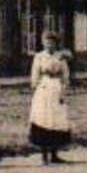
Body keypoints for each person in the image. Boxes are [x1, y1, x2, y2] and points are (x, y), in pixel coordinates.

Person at [28, 31, 72, 164]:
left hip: (56, 87)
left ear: (56, 44)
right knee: (43, 119)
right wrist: (36, 88)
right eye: (47, 42)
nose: (49, 45)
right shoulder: (39, 57)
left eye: (52, 43)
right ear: (43, 43)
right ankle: (44, 155)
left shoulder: (61, 57)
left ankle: (54, 154)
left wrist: (63, 91)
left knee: (56, 120)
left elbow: (65, 75)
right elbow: (34, 74)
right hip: (44, 88)